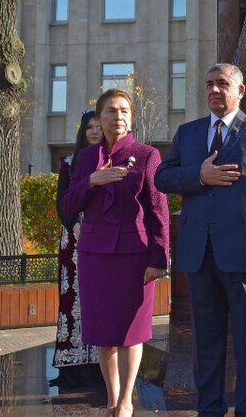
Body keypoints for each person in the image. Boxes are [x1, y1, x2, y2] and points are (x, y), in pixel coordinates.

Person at [155, 63, 246, 417]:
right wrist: (199, 175)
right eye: (210, 84)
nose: (215, 89)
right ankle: (209, 409)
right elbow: (162, 178)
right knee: (206, 341)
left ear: (240, 91)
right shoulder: (188, 133)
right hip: (199, 256)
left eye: (223, 84)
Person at [60, 89, 170, 417]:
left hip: (135, 256)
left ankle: (125, 402)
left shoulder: (147, 155)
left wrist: (158, 259)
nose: (118, 116)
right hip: (94, 255)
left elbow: (158, 209)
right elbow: (68, 205)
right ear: (100, 117)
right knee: (102, 333)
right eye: (111, 111)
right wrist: (91, 180)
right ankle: (111, 398)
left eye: (124, 111)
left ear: (131, 118)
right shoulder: (84, 159)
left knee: (131, 332)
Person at [51, 110, 104, 390]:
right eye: (89, 128)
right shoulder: (69, 164)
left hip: (103, 237)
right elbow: (62, 202)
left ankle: (99, 366)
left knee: (100, 299)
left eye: (99, 127)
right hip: (74, 239)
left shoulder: (112, 162)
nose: (94, 132)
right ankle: (72, 365)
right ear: (82, 132)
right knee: (72, 299)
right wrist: (73, 226)